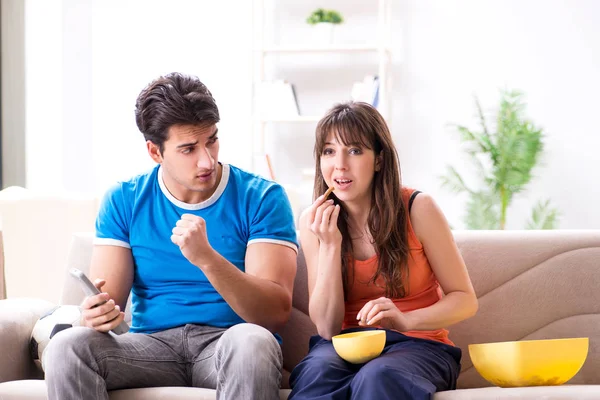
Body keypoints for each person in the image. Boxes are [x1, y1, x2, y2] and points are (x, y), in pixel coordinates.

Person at [44, 72, 298, 400]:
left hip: (229, 343)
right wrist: (93, 314)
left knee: (253, 341)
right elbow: (111, 303)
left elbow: (273, 315)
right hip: (151, 347)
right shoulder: (124, 199)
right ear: (155, 152)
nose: (207, 160)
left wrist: (207, 258)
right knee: (66, 346)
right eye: (189, 149)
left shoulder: (262, 197)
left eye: (212, 140)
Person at [288, 102, 478, 400]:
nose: (339, 165)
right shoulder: (313, 223)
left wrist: (406, 320)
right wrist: (330, 245)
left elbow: (465, 300)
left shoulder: (418, 209)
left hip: (418, 344)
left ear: (379, 160)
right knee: (317, 373)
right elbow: (326, 326)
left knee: (378, 376)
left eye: (354, 150)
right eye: (329, 151)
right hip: (343, 345)